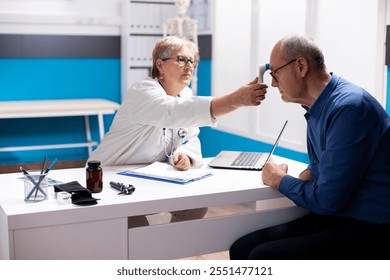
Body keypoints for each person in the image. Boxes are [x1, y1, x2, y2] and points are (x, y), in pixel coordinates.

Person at [229, 34, 390, 260]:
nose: (273, 83)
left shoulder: (349, 108)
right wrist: (311, 170)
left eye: (275, 73)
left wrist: (279, 180)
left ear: (301, 66)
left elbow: (327, 200)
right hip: (339, 214)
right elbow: (333, 160)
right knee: (242, 248)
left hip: (368, 224)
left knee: (262, 256)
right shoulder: (318, 106)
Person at [89, 35, 268, 225]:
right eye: (181, 59)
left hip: (150, 175)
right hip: (110, 176)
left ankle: (169, 247)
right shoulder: (142, 92)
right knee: (135, 227)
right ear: (160, 65)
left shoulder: (185, 94)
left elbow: (191, 137)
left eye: (192, 61)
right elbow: (172, 112)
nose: (189, 65)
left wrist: (184, 154)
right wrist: (236, 99)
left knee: (195, 205)